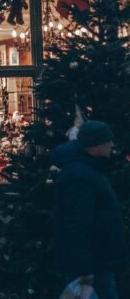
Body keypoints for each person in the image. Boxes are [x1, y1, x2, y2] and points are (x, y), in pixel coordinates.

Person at [53, 120, 128, 299]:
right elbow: (78, 224)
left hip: (98, 260)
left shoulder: (86, 170)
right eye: (107, 141)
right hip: (95, 264)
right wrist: (84, 271)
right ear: (95, 145)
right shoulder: (81, 176)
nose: (111, 144)